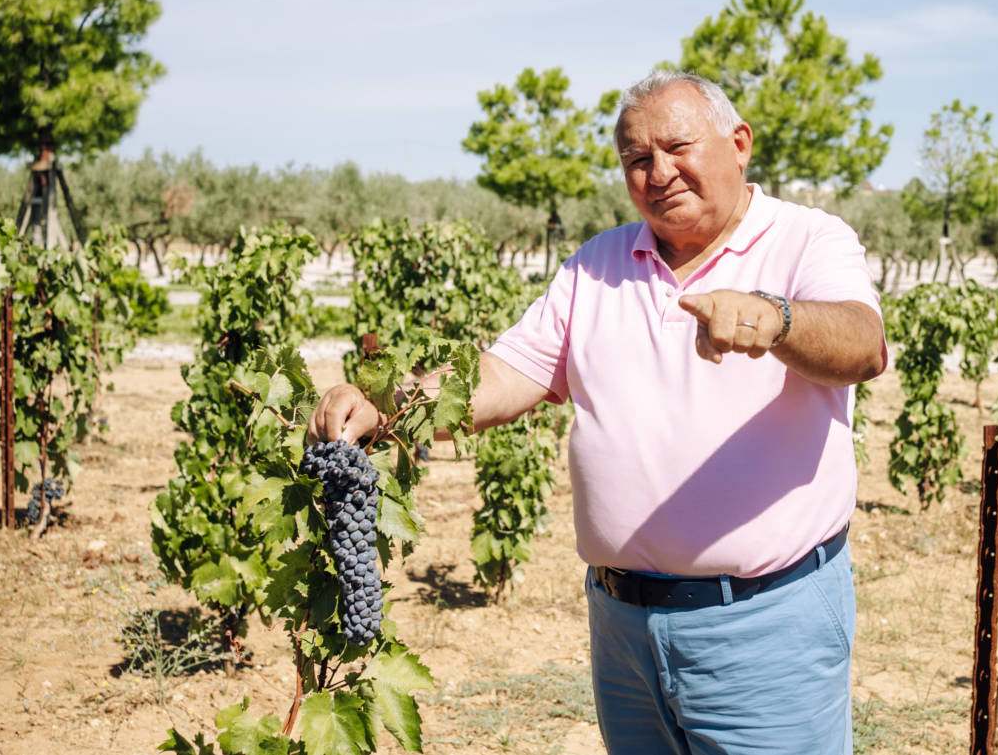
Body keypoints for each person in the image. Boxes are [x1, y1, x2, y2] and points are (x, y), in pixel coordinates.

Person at [308, 70, 887, 754]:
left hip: (766, 626)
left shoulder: (806, 241)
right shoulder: (596, 266)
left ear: (739, 143)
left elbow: (862, 342)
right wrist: (385, 404)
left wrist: (777, 318)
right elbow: (498, 374)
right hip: (623, 629)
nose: (659, 171)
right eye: (638, 159)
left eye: (678, 147)